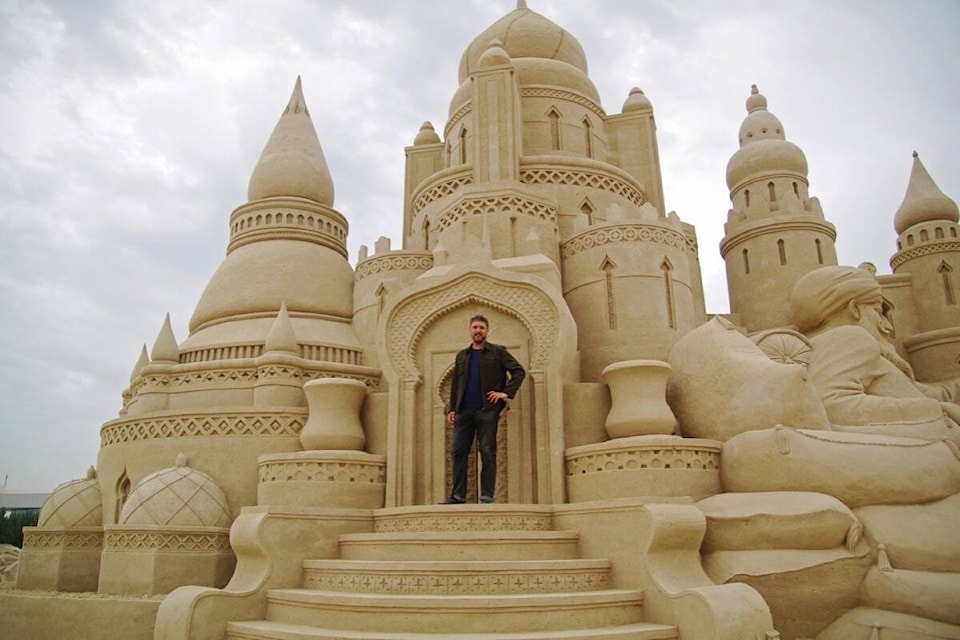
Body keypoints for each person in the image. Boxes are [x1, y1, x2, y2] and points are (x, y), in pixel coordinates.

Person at [790, 265, 960, 438]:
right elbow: (832, 405)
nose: (887, 326)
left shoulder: (826, 345)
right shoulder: (850, 338)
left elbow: (922, 393)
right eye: (877, 312)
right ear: (854, 309)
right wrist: (937, 410)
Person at [444, 314, 525, 504]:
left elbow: (518, 371)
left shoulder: (498, 352)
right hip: (464, 412)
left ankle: (487, 495)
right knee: (458, 452)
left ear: (486, 331)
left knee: (487, 452)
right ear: (470, 330)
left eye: (481, 327)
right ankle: (458, 495)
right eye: (475, 327)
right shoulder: (462, 356)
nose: (478, 331)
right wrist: (452, 409)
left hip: (487, 411)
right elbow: (457, 384)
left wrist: (505, 393)